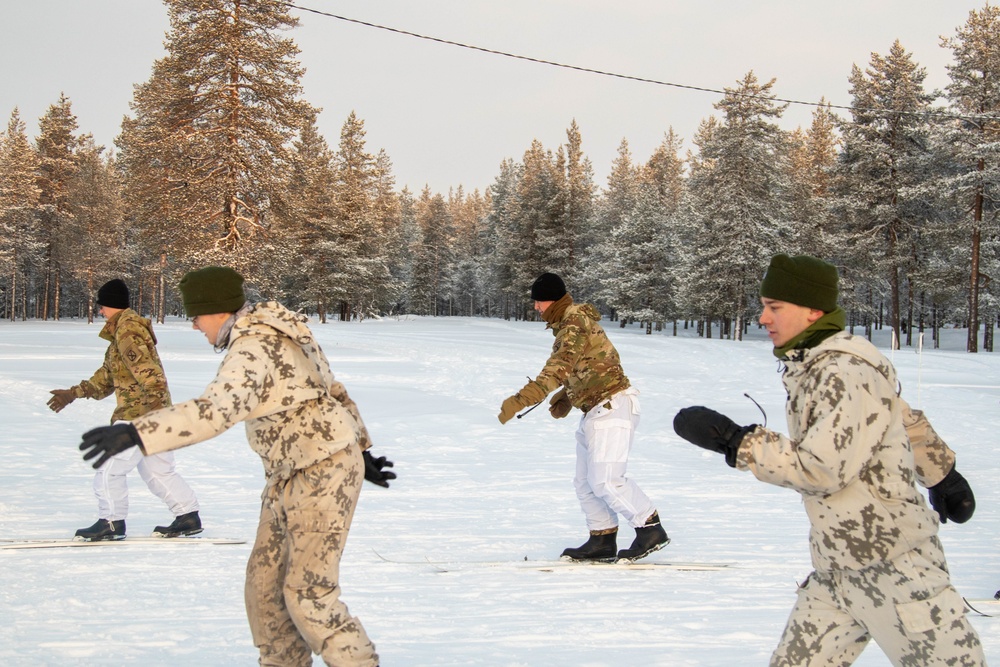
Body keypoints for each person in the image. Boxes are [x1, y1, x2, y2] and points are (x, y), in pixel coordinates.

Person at [672, 254, 984, 666]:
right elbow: (900, 416)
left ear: (813, 310)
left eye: (775, 307)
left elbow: (822, 470)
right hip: (836, 572)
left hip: (898, 570)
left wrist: (738, 442)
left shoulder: (841, 371)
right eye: (764, 305)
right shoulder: (815, 365)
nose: (763, 318)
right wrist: (943, 474)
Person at [77, 266, 392, 667]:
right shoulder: (274, 331)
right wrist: (360, 448)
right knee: (264, 590)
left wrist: (140, 434)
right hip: (289, 473)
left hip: (321, 471)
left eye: (194, 316)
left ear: (215, 310)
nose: (194, 326)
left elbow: (215, 412)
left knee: (308, 593)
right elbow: (329, 387)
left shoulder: (253, 347)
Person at [498, 272, 669, 563]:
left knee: (606, 480)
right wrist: (568, 395)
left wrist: (521, 400)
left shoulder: (574, 321)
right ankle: (602, 538)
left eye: (539, 302)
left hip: (613, 405)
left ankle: (650, 528)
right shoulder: (569, 322)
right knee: (585, 481)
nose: (537, 308)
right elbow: (589, 362)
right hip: (595, 408)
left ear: (552, 300)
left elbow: (558, 368)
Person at [47, 278, 201, 540]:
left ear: (110, 305)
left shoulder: (127, 331)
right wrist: (73, 393)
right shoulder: (122, 332)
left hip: (138, 414)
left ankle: (111, 522)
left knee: (109, 467)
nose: (100, 311)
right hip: (151, 413)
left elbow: (152, 376)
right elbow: (107, 377)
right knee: (157, 470)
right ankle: (187, 516)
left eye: (102, 306)